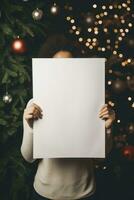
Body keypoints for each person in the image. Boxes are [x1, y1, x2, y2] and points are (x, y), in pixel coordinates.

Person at [21, 34, 116, 200]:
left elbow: (102, 156)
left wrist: (107, 127)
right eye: (58, 66)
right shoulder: (35, 104)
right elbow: (28, 157)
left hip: (85, 193)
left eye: (70, 65)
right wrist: (29, 126)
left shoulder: (93, 102)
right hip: (45, 193)